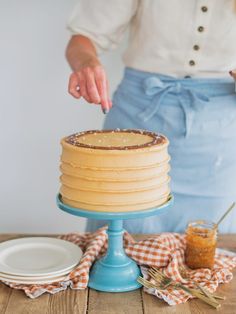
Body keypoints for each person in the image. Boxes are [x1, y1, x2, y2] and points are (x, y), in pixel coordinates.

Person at [65, 0, 236, 234]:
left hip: (218, 142)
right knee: (115, 246)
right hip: (134, 127)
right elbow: (83, 39)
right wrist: (86, 62)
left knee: (211, 258)